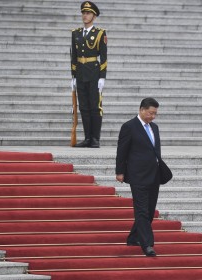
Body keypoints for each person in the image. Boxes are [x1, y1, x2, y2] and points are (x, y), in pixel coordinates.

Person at [115, 97, 162, 257]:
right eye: (150, 113)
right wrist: (120, 171)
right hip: (137, 176)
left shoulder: (154, 128)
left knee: (149, 211)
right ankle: (147, 244)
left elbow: (156, 151)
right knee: (141, 210)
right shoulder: (129, 127)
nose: (153, 116)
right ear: (142, 109)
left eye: (155, 114)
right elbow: (122, 150)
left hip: (153, 175)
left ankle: (133, 237)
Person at [70, 1, 107, 148]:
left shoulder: (100, 33)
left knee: (95, 106)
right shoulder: (76, 33)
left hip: (94, 73)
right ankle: (87, 138)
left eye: (88, 13)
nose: (85, 16)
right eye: (83, 13)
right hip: (80, 73)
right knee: (83, 107)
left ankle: (95, 139)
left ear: (94, 16)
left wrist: (102, 77)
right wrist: (73, 75)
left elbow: (103, 56)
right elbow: (73, 56)